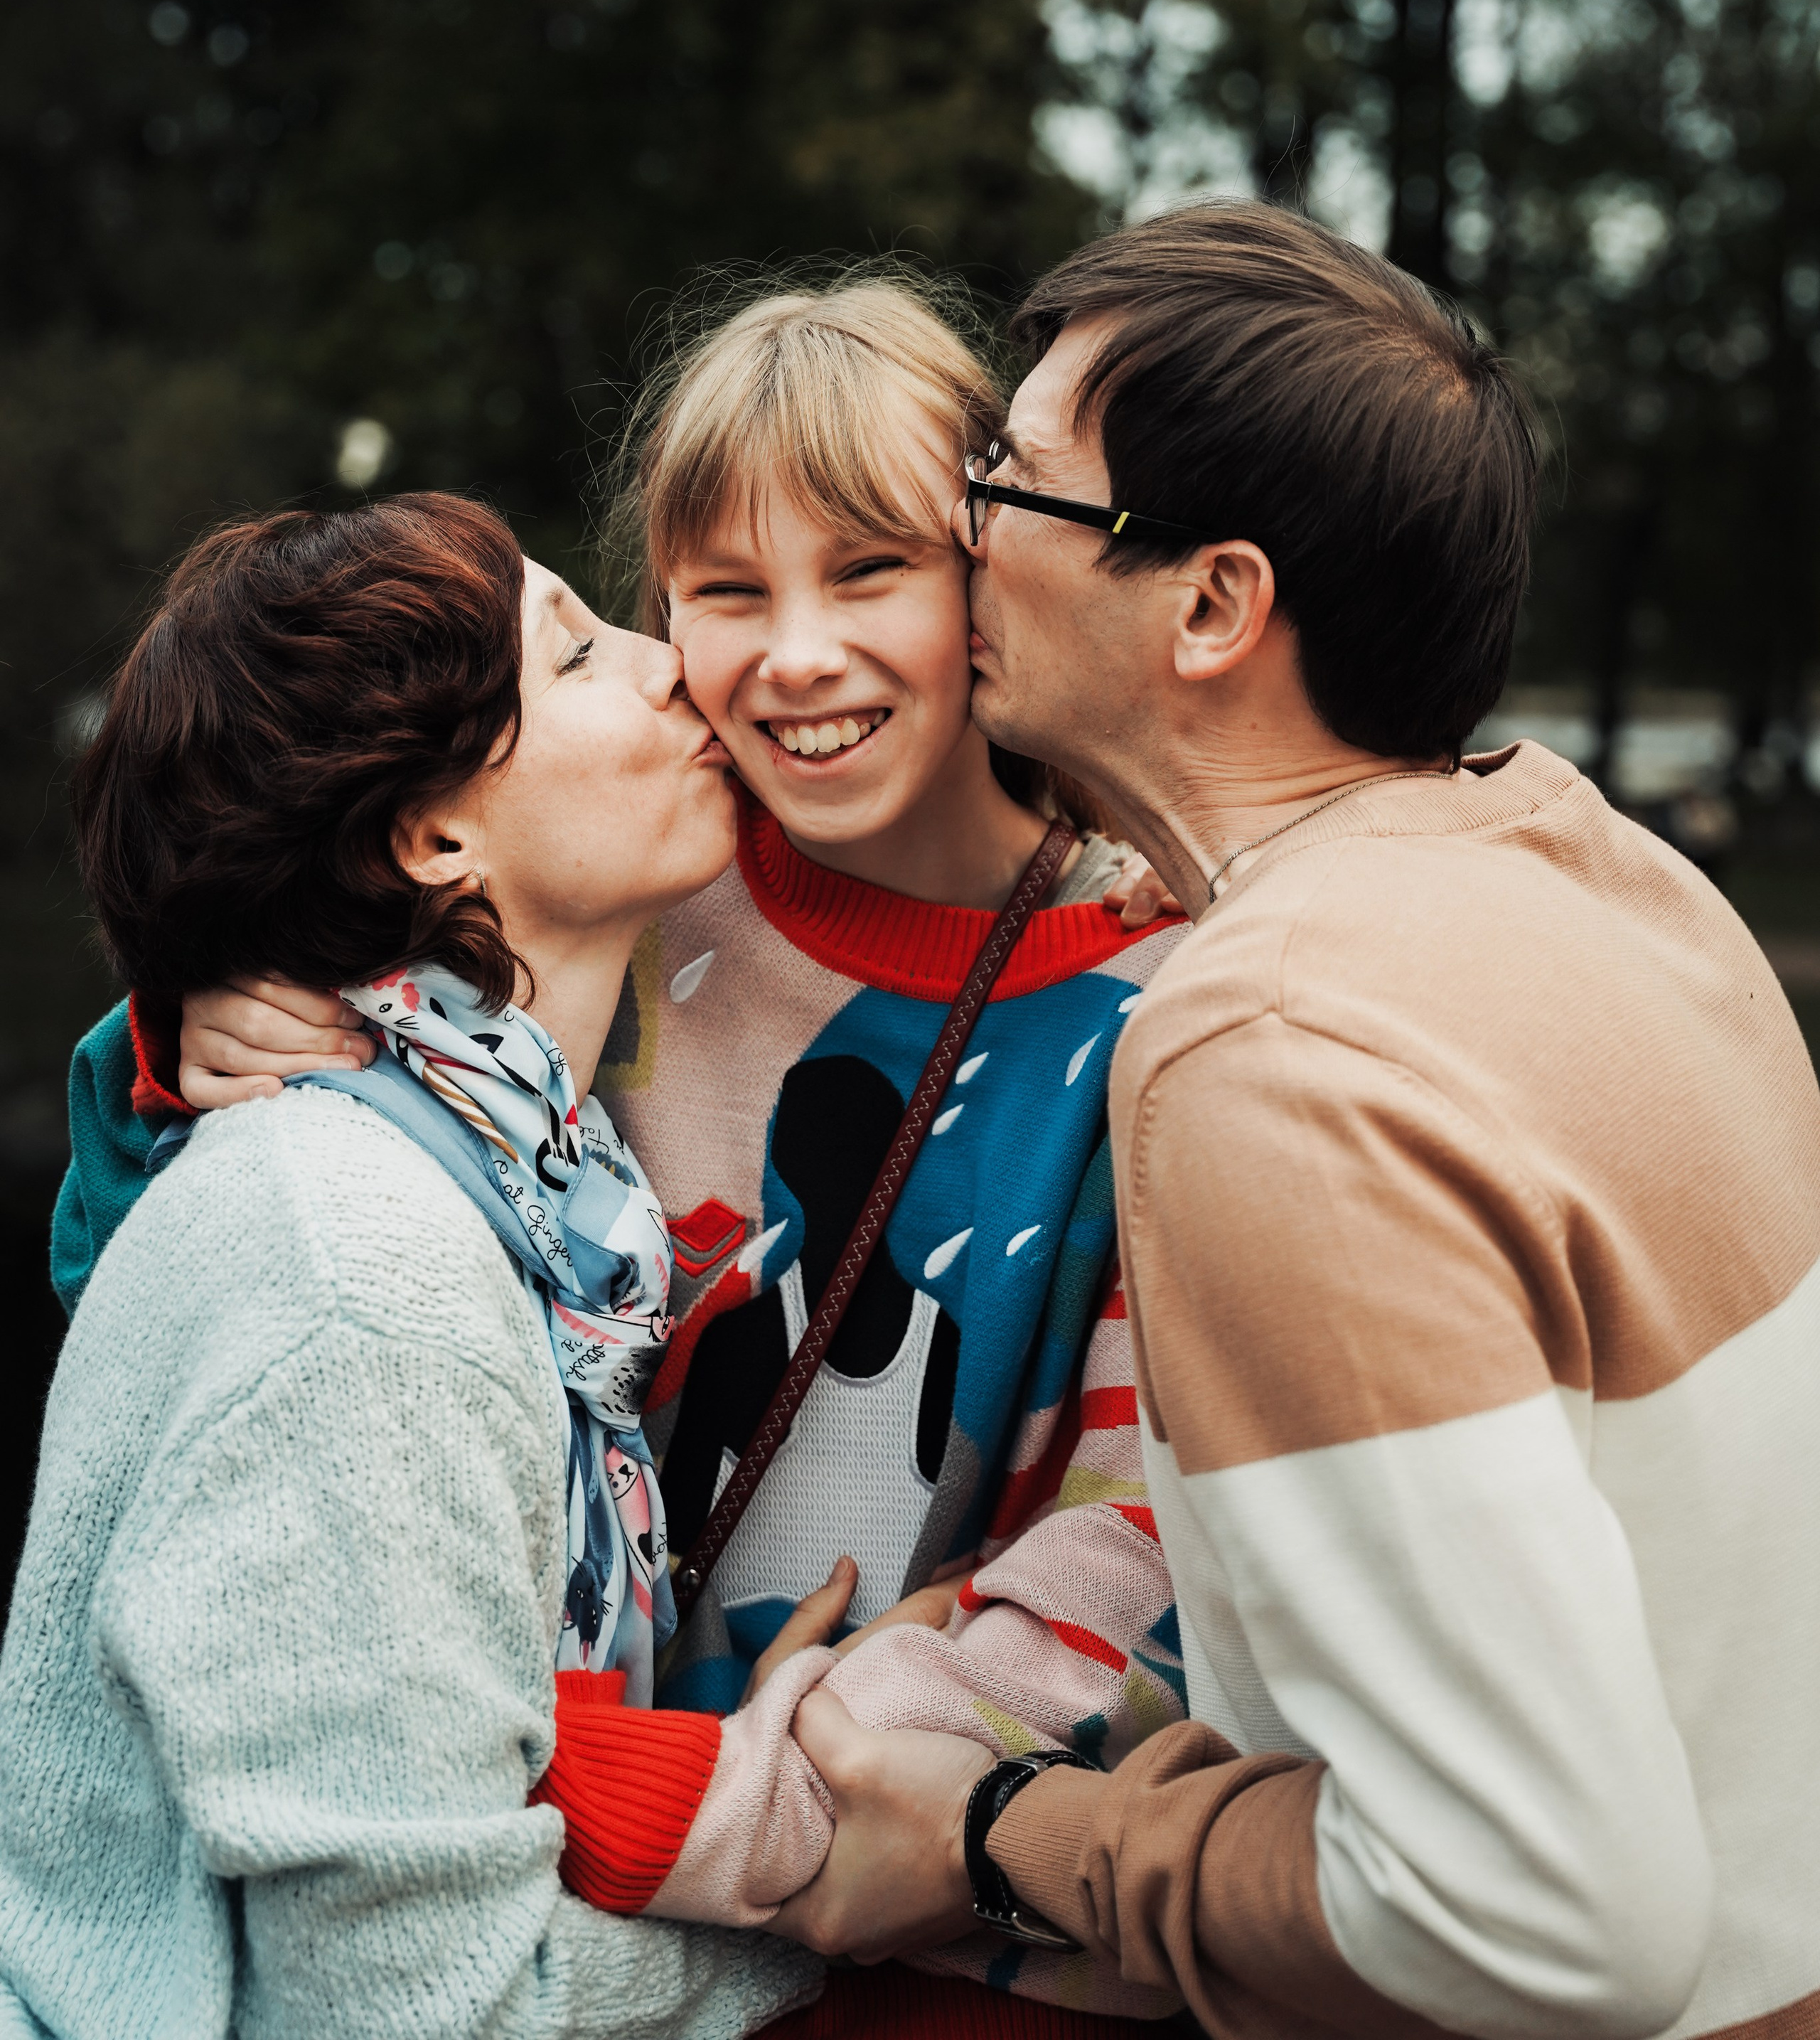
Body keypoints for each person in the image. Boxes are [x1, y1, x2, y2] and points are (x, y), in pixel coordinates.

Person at [53, 279, 1194, 2029]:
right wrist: (189, 1040)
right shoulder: (635, 877)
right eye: (721, 593)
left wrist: (788, 1785)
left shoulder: (1167, 1007)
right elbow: (193, 1317)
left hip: (914, 1917)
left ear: (991, 575)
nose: (789, 656)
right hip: (495, 1868)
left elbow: (1157, 1542)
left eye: (869, 571)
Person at [770, 201, 1820, 2040]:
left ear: (1211, 606)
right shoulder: (1609, 882)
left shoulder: (1270, 1053)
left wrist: (999, 1834)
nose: (958, 528)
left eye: (1009, 478)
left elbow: (1547, 1914)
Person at [0, 494, 817, 2040]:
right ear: (436, 838)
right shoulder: (366, 1274)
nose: (672, 664)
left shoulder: (522, 1183)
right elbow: (428, 2009)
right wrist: (850, 1924)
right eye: (576, 654)